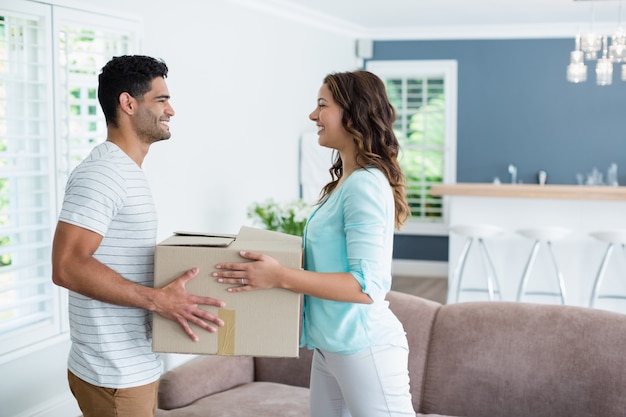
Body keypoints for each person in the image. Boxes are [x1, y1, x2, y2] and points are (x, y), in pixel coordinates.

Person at [213, 70, 415, 417]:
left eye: (322, 105)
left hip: (363, 348)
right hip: (329, 347)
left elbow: (367, 287)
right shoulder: (345, 183)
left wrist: (280, 276)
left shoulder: (365, 185)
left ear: (353, 113)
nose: (312, 116)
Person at [51, 55, 226, 417]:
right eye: (161, 100)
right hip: (114, 369)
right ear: (128, 103)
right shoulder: (103, 174)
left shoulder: (125, 171)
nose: (171, 110)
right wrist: (157, 300)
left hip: (129, 362)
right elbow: (67, 266)